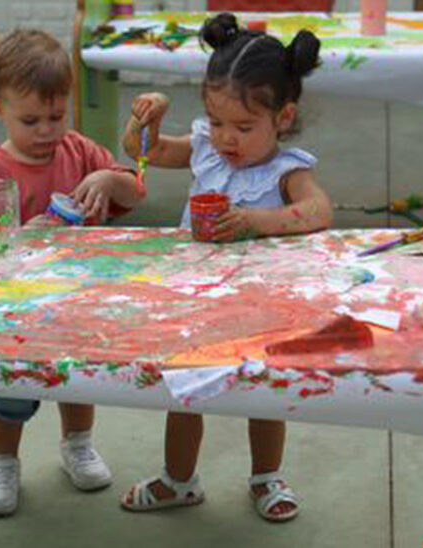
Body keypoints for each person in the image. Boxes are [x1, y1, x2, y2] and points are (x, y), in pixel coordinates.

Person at [119, 13, 333, 522]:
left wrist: (257, 220)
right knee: (187, 385)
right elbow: (139, 151)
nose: (226, 139)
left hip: (261, 301)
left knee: (263, 390)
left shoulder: (287, 171)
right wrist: (147, 115)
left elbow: (319, 212)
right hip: (196, 297)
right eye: (216, 122)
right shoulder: (205, 152)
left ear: (282, 118)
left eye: (243, 127)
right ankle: (179, 480)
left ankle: (265, 477)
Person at [0, 29, 145, 516]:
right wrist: (25, 235)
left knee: (77, 376)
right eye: (30, 120)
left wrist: (112, 178)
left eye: (57, 115)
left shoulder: (81, 152)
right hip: (16, 305)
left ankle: (78, 444)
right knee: (7, 385)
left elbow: (136, 194)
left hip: (79, 293)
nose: (47, 130)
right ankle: (2, 462)